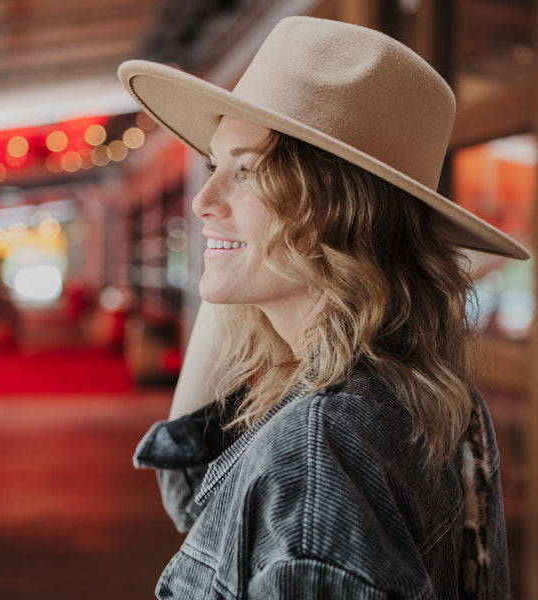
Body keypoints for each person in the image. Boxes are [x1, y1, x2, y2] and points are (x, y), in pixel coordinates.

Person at [118, 17, 529, 599]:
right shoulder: (434, 396)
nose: (201, 200)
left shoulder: (317, 452)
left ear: (335, 209)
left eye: (248, 170)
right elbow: (194, 498)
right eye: (214, 165)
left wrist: (242, 252)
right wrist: (240, 260)